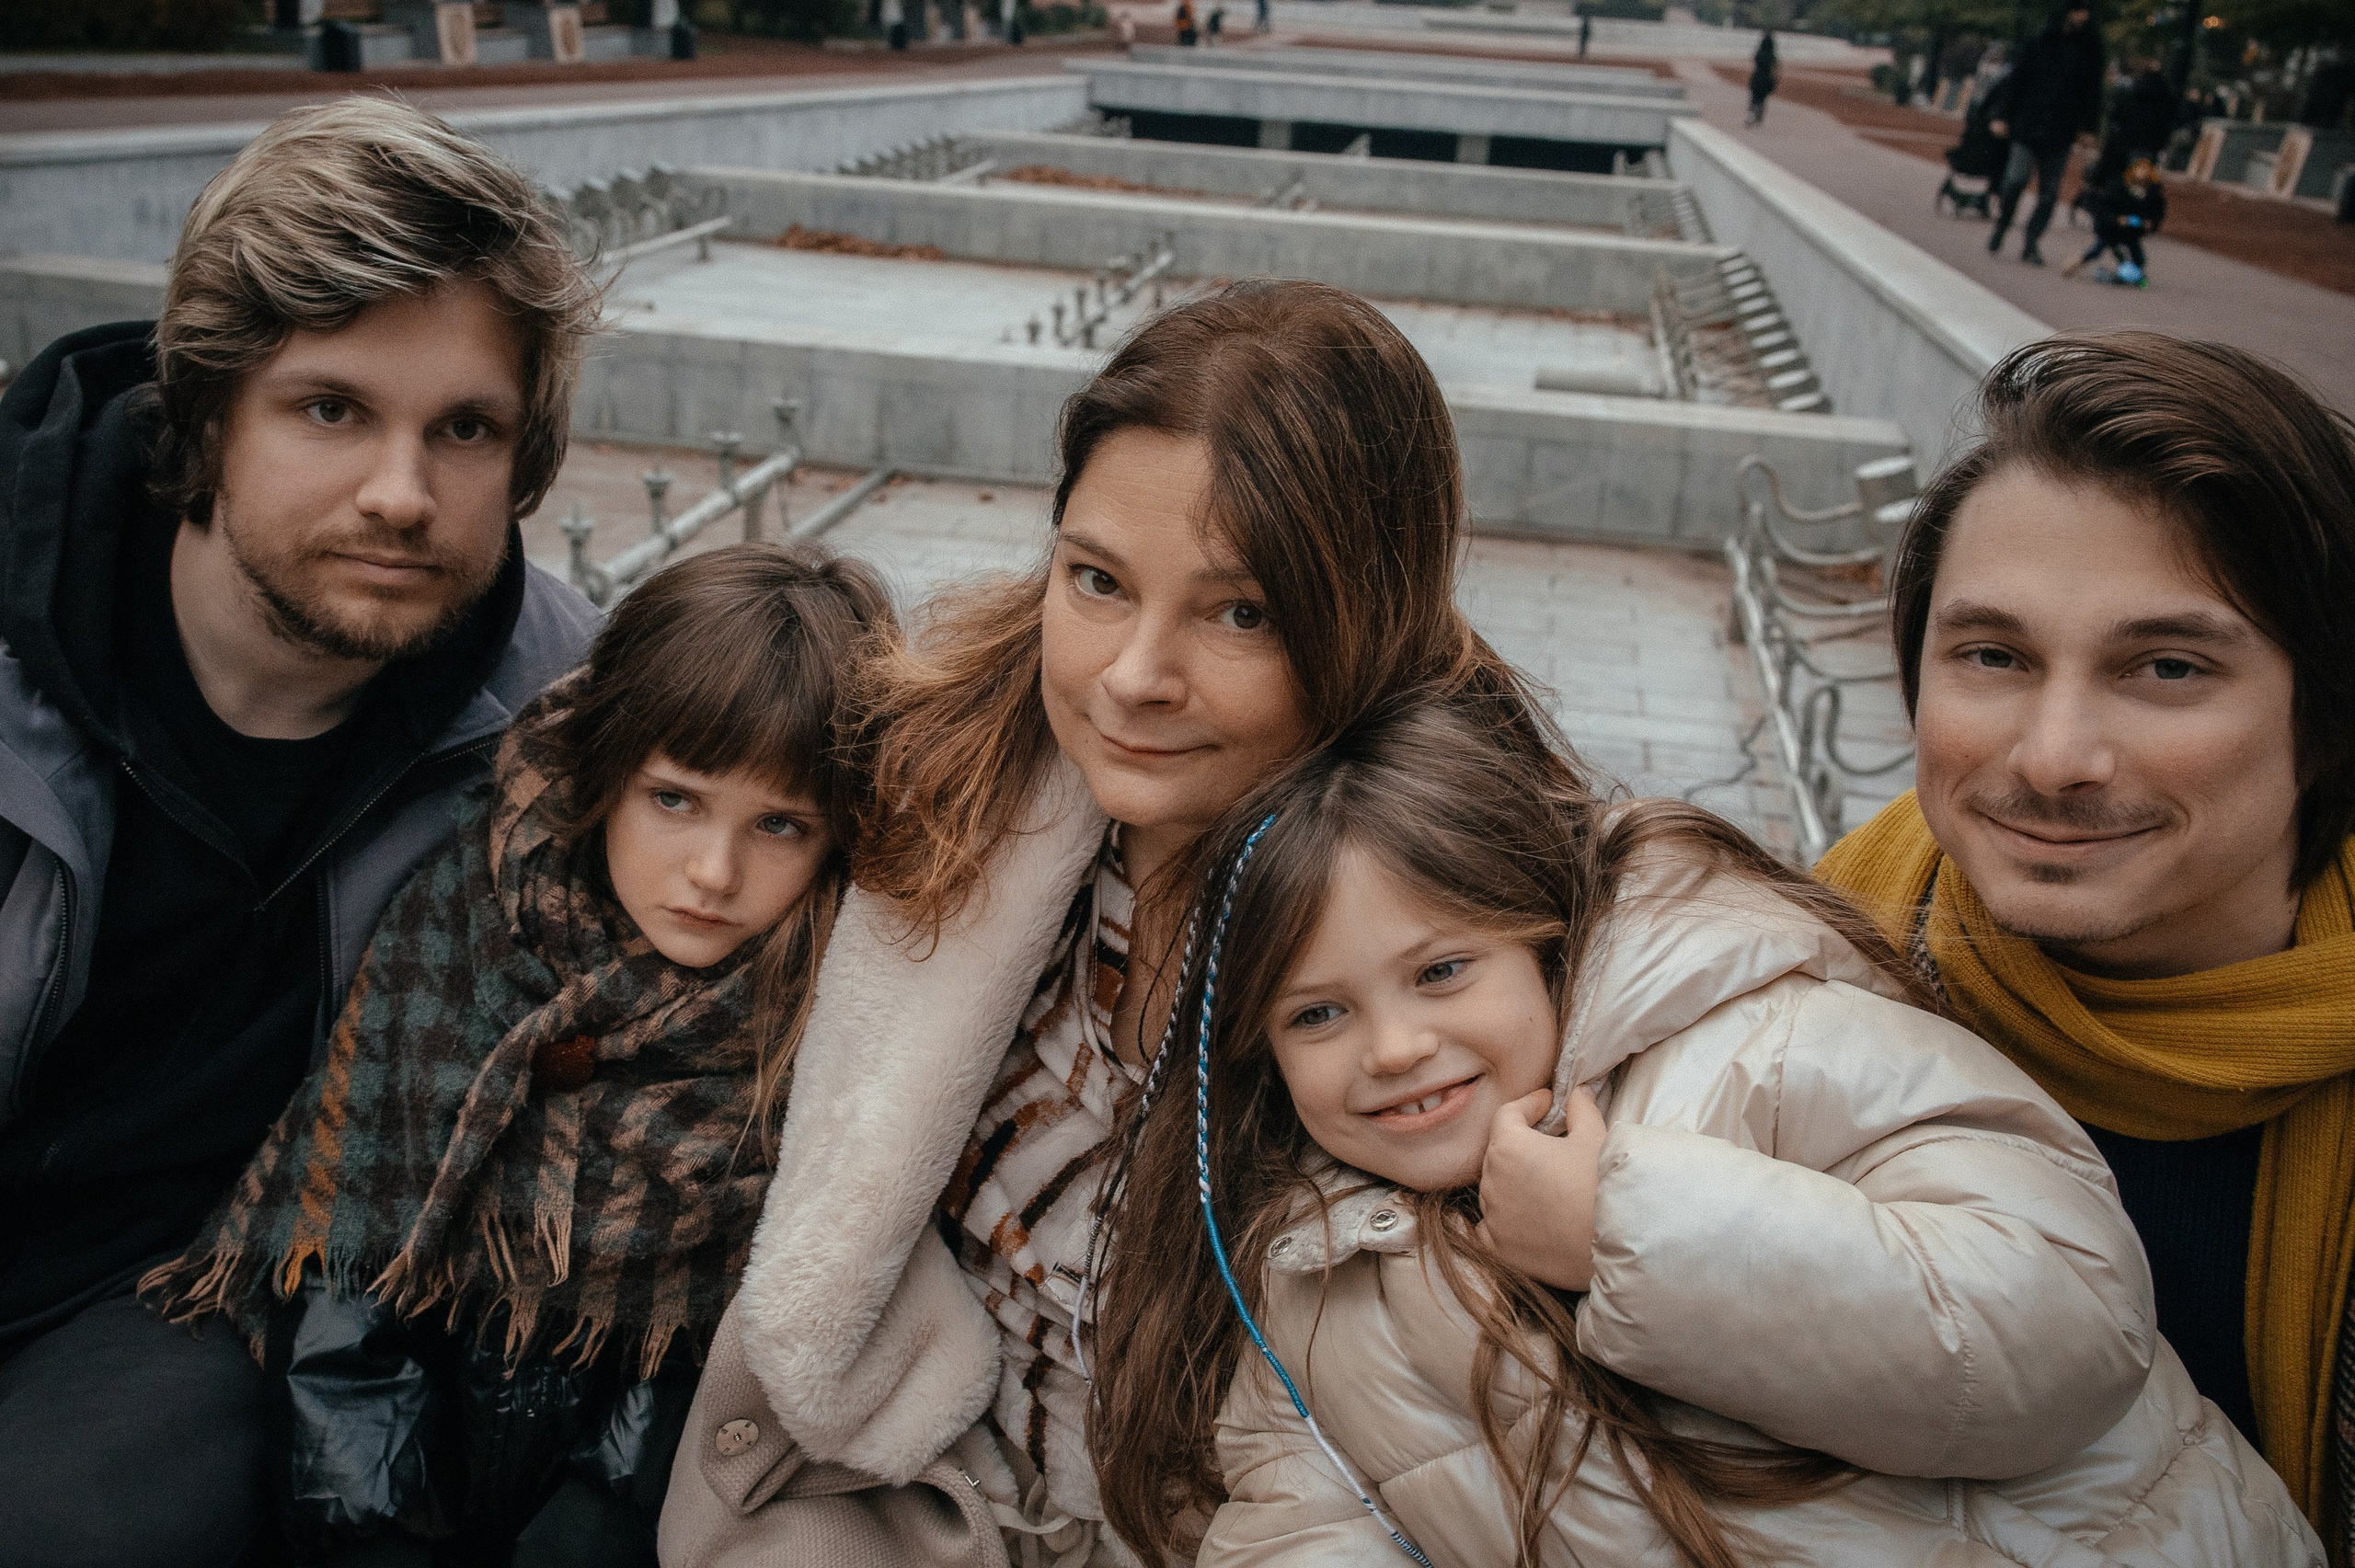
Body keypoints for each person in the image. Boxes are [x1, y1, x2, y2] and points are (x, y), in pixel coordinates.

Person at [655, 281, 1557, 1566]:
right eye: (1096, 580)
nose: (1133, 677)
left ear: (1368, 617)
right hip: (885, 1505)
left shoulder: (1490, 923)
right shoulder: (947, 785)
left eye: (1240, 612)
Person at [1086, 692, 2316, 1566]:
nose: (1395, 1046)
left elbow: (2067, 1319)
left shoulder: (1757, 1038)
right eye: (1318, 1014)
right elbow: (1303, 1522)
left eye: (1443, 970)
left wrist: (1625, 1225)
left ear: (1544, 937)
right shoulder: (1311, 1278)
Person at [0, 98, 602, 1567]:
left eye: (465, 429)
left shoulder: (574, 716)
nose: (402, 495)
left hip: (177, 1294)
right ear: (207, 414)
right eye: (331, 409)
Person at [144, 544, 894, 1567]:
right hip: (395, 1485)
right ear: (606, 770)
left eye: (778, 824)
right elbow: (348, 1266)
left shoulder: (834, 1012)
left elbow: (701, 1374)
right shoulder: (464, 926)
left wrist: (591, 1532)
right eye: (674, 799)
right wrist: (373, 1532)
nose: (714, 872)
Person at [1817, 331, 2355, 1553]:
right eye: (1993, 656)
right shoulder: (1812, 953)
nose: (2056, 757)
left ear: (2325, 714)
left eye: (2165, 667)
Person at [1985, 0, 2106, 264]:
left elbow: (2093, 93)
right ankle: (2002, 224)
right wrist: (2001, 115)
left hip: (2062, 129)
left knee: (2049, 193)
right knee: (2016, 179)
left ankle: (2031, 241)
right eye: (2078, 10)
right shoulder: (2038, 42)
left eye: (2086, 11)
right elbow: (2016, 80)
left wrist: (2089, 128)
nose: (2083, 16)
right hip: (2028, 124)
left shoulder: (2090, 49)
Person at [2063, 156, 2165, 283]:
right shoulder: (2120, 186)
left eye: (2146, 169)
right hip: (2113, 229)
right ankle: (2074, 263)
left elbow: (2156, 214)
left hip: (2132, 232)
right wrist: (2117, 219)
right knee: (2097, 250)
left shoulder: (2153, 193)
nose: (2142, 172)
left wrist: (2149, 223)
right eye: (2139, 168)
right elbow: (2106, 207)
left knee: (2138, 257)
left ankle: (2134, 276)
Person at [1746, 29, 1778, 126]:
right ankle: (1758, 116)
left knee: (1754, 98)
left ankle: (1751, 114)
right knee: (1762, 99)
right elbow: (1776, 68)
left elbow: (1755, 60)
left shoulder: (1759, 53)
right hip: (1766, 79)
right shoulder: (1772, 56)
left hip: (1757, 77)